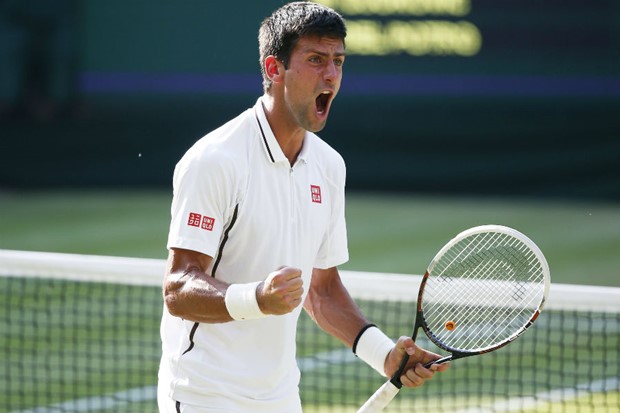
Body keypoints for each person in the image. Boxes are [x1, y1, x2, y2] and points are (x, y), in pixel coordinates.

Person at [157, 2, 449, 412]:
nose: (331, 75)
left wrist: (384, 354)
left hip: (281, 399)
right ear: (274, 70)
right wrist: (257, 297)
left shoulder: (329, 166)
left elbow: (322, 288)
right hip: (203, 397)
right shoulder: (214, 160)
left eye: (338, 62)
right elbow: (178, 288)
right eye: (315, 60)